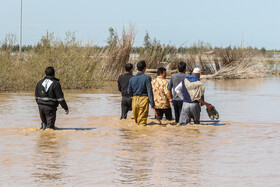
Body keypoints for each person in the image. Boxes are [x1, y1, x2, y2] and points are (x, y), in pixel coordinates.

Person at [127, 60, 155, 125]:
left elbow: (129, 91)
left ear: (136, 68)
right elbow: (149, 91)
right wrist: (152, 103)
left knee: (137, 121)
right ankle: (141, 134)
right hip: (144, 100)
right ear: (145, 68)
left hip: (134, 100)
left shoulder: (132, 79)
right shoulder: (147, 78)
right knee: (142, 122)